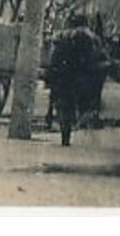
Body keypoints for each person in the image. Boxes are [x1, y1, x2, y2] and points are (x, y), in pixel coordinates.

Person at [46, 13, 108, 146]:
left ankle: (64, 132)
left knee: (62, 101)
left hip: (62, 75)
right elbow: (97, 59)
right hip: (81, 75)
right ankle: (89, 113)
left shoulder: (61, 36)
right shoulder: (91, 37)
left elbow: (54, 57)